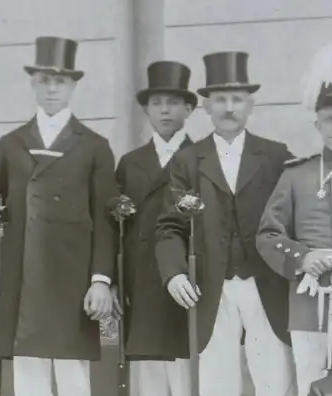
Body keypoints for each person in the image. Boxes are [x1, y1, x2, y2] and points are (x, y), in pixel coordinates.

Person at [0, 36, 117, 396]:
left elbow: (105, 219)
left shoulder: (94, 146)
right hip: (24, 274)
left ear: (73, 86)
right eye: (45, 81)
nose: (53, 89)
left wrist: (101, 279)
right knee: (28, 373)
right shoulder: (11, 144)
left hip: (74, 277)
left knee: (72, 376)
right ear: (33, 83)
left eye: (61, 81)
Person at [155, 51, 296, 396]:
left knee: (273, 377)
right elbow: (168, 227)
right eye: (220, 99)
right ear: (205, 106)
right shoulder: (187, 160)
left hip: (267, 282)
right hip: (211, 285)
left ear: (250, 105)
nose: (229, 107)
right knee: (218, 381)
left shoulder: (277, 156)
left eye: (237, 99)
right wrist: (174, 273)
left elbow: (294, 219)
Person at [256, 43, 332, 396]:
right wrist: (302, 257)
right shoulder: (296, 175)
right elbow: (268, 234)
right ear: (317, 123)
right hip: (309, 299)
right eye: (330, 120)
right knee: (313, 380)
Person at [115, 60, 196, 396]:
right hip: (142, 282)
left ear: (189, 108)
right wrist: (117, 282)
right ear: (146, 109)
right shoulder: (130, 163)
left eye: (174, 102)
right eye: (157, 103)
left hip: (186, 281)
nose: (165, 111)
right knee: (147, 376)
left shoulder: (201, 157)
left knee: (186, 370)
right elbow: (117, 231)